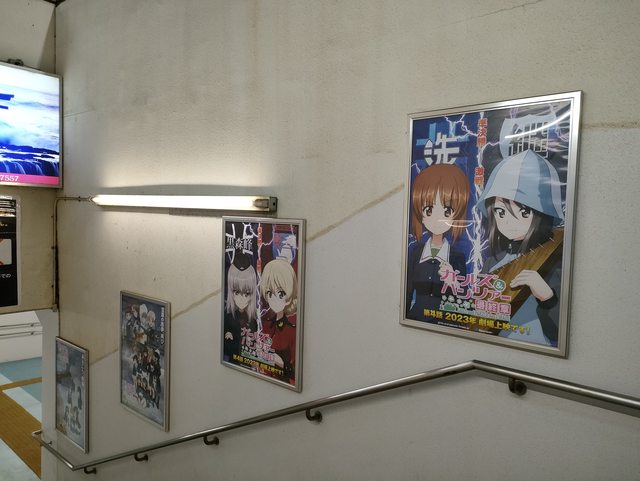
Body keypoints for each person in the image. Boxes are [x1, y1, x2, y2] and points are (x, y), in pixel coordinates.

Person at [477, 149, 564, 346]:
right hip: (490, 345)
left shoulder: (553, 263)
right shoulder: (492, 262)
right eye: (500, 212)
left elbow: (558, 332)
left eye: (524, 212)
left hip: (535, 348)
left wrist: (547, 297)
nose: (508, 221)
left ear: (542, 213)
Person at [406, 163, 470, 319]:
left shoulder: (456, 256)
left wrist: (454, 283)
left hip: (445, 322)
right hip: (416, 319)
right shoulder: (416, 252)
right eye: (428, 210)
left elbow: (464, 302)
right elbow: (407, 291)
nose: (437, 218)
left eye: (447, 211)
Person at [259, 258, 297, 384]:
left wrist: (277, 360)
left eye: (280, 294)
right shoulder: (265, 324)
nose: (274, 299)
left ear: (289, 297)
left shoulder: (292, 331)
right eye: (269, 293)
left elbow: (296, 373)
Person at [223, 253, 258, 361]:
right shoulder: (228, 318)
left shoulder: (253, 320)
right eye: (237, 292)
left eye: (247, 293)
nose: (242, 298)